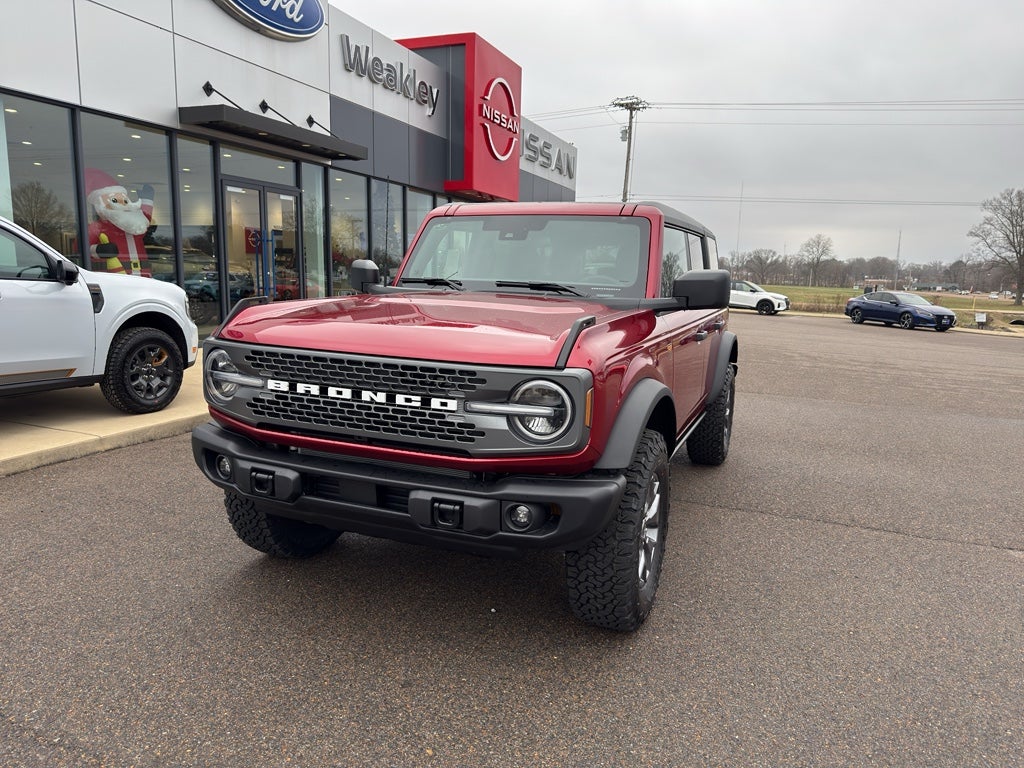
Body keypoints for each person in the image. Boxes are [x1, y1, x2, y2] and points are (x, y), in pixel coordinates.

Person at [85, 167, 154, 276]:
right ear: (100, 206)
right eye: (114, 200)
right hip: (116, 279)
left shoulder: (135, 223)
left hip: (144, 277)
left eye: (125, 200)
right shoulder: (96, 228)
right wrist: (98, 250)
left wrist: (147, 200)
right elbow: (81, 248)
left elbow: (144, 220)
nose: (123, 204)